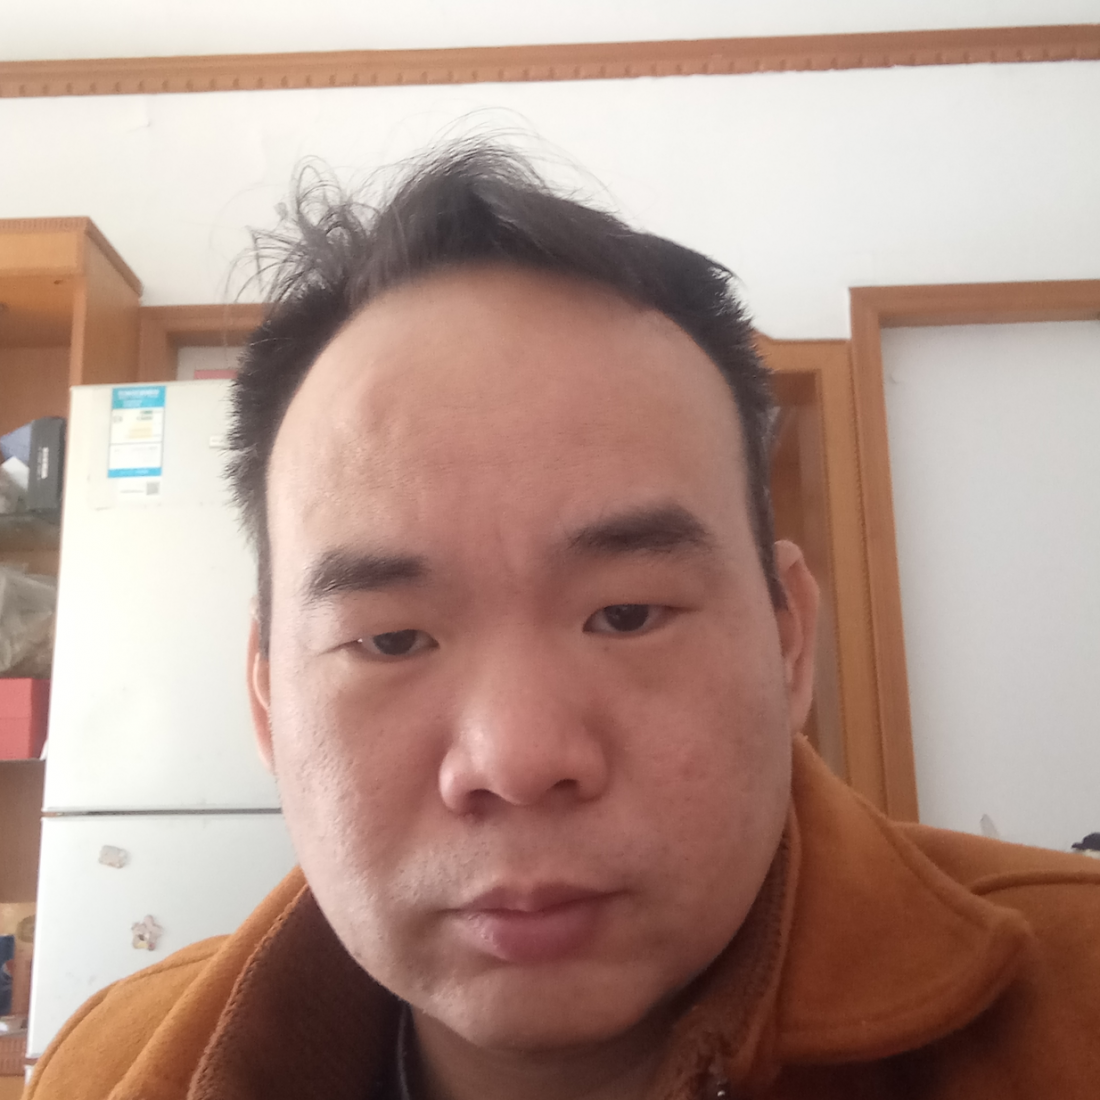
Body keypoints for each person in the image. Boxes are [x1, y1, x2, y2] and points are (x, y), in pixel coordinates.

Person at [28, 144, 1100, 1100]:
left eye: (626, 613)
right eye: (392, 638)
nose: (518, 759)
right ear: (268, 698)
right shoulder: (110, 1068)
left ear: (788, 641)